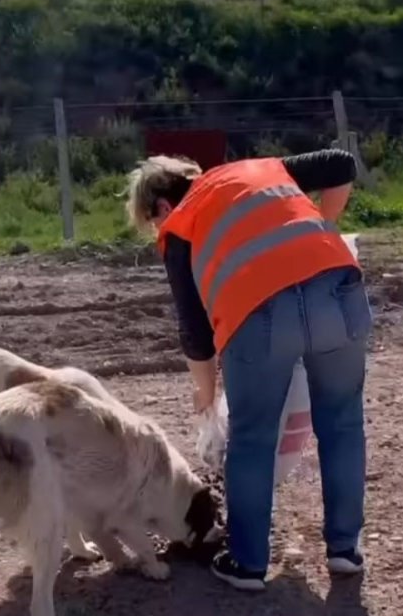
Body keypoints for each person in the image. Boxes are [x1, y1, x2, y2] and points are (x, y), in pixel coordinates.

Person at [126, 149, 371, 591]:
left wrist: (205, 394)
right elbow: (341, 164)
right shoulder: (258, 170)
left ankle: (248, 562)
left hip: (259, 316)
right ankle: (344, 550)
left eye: (153, 222)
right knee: (343, 424)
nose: (159, 229)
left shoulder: (181, 225)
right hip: (338, 291)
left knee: (252, 439)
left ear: (162, 207)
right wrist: (321, 225)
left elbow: (195, 330)